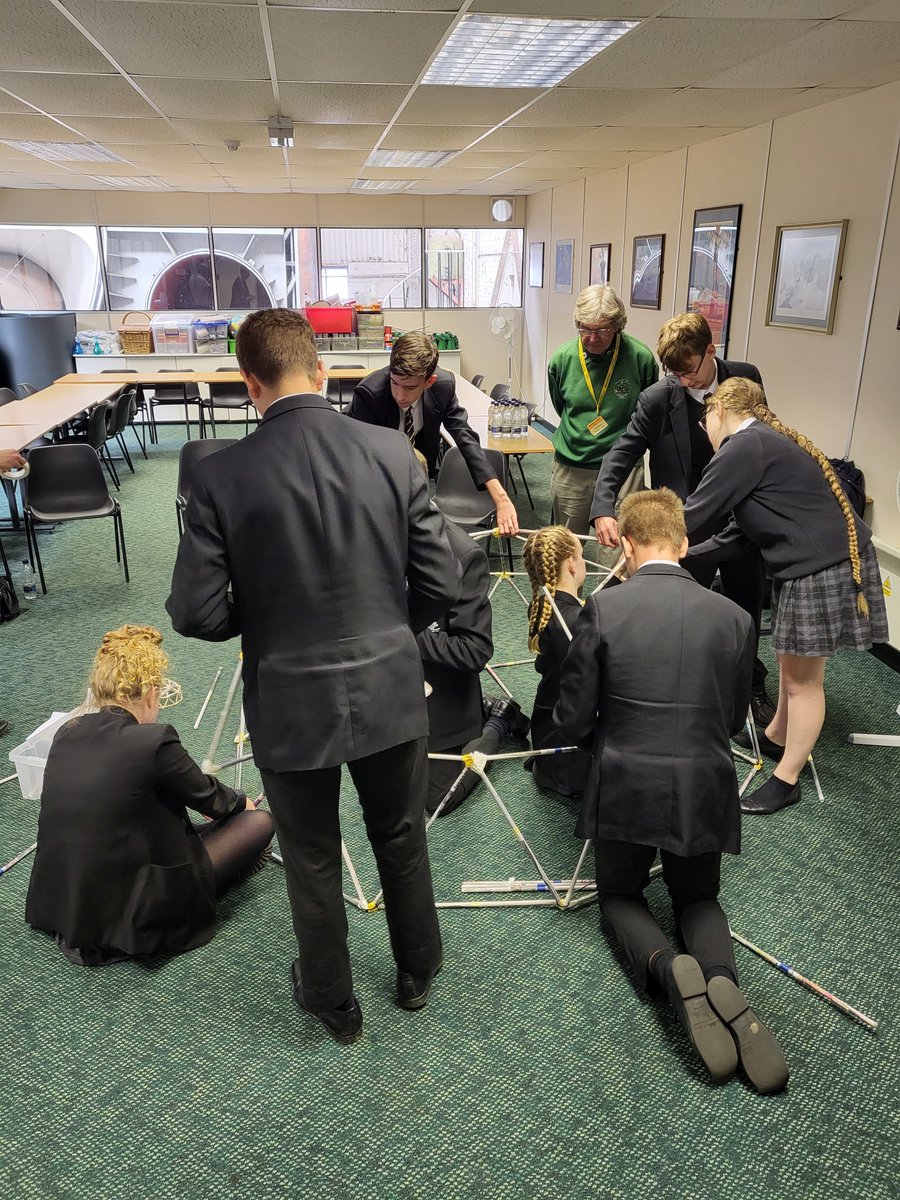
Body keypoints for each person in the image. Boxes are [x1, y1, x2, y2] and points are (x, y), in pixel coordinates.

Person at [167, 308, 459, 1045]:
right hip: (390, 681)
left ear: (248, 384)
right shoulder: (392, 454)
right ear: (321, 369)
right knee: (399, 833)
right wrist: (391, 626)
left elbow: (197, 612)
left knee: (311, 853)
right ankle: (417, 970)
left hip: (290, 696)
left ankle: (333, 1002)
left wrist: (265, 619)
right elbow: (443, 583)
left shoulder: (218, 473)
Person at [555, 490, 788, 1093]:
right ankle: (719, 976)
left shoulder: (604, 610)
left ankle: (666, 968)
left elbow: (573, 720)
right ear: (684, 544)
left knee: (622, 898)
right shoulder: (735, 618)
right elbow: (734, 715)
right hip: (704, 783)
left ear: (627, 547)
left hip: (627, 783)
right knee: (699, 899)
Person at [684, 378, 889, 815]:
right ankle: (777, 736)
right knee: (788, 660)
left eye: (706, 422)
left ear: (719, 412)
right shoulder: (761, 441)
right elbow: (741, 534)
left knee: (802, 681)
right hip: (813, 563)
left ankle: (787, 778)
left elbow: (692, 514)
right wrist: (685, 556)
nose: (706, 432)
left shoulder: (742, 446)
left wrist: (652, 542)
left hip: (821, 567)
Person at [25, 625, 274, 966]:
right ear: (151, 694)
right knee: (258, 823)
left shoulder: (68, 732)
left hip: (67, 896)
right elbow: (211, 799)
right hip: (132, 906)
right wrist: (240, 802)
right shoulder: (154, 740)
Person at [590, 312, 775, 726]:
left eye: (688, 371)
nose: (683, 381)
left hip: (742, 522)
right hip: (683, 526)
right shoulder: (658, 397)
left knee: (745, 611)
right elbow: (623, 451)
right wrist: (603, 506)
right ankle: (674, 688)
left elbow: (763, 441)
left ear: (711, 350)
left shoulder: (745, 380)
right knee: (674, 612)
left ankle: (746, 690)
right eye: (673, 373)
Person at [348, 331, 519, 535]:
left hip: (419, 475)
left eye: (410, 387)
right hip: (377, 476)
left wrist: (501, 497)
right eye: (395, 383)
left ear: (429, 381)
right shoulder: (369, 394)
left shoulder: (443, 387)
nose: (400, 395)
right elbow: (354, 453)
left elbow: (465, 437)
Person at [547, 285, 657, 550]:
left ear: (618, 326)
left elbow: (648, 415)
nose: (593, 338)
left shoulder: (640, 359)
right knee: (567, 553)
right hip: (574, 466)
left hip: (623, 469)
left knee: (618, 555)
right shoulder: (561, 359)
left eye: (602, 330)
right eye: (585, 329)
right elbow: (561, 406)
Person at [522, 525, 591, 798]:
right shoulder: (580, 620)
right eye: (582, 556)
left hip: (547, 728)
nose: (585, 561)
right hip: (571, 752)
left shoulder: (541, 606)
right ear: (572, 564)